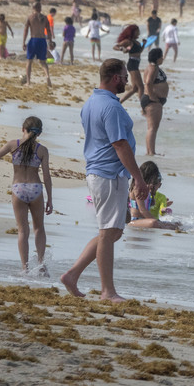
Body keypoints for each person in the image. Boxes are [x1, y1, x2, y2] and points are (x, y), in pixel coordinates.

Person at [60, 59, 148, 303]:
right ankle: (107, 291)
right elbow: (119, 144)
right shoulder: (111, 107)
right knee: (108, 233)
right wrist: (138, 178)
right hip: (107, 174)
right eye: (124, 76)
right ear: (115, 78)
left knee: (113, 232)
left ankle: (73, 274)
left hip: (101, 172)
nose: (127, 81)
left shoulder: (92, 102)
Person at [0, 116, 53, 275]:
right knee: (39, 228)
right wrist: (50, 198)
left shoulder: (12, 145)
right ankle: (42, 266)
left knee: (23, 230)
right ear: (39, 133)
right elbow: (47, 176)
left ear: (23, 129)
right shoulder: (42, 150)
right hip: (35, 188)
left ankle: (25, 268)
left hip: (18, 189)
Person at [128, 161, 180, 230]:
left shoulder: (147, 190)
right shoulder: (137, 188)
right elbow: (142, 210)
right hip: (135, 221)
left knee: (178, 223)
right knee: (154, 222)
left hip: (144, 220)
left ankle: (166, 226)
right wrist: (159, 222)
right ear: (149, 176)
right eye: (154, 178)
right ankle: (165, 227)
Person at [141, 48, 168, 156]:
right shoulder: (153, 68)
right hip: (152, 100)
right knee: (152, 128)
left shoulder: (153, 67)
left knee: (151, 127)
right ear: (157, 58)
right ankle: (151, 152)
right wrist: (153, 96)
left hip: (152, 100)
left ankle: (150, 151)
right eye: (161, 56)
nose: (163, 58)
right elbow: (148, 83)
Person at [21, 2, 53, 87]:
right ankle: (47, 76)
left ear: (33, 8)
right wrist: (50, 41)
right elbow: (49, 31)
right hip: (42, 41)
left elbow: (26, 31)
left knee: (29, 62)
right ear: (40, 8)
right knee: (43, 62)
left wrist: (23, 42)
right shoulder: (45, 18)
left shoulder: (30, 17)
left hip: (33, 40)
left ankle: (28, 82)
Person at [115, 25, 144, 105]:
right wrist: (122, 49)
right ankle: (143, 106)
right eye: (137, 31)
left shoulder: (136, 42)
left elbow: (139, 52)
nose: (139, 32)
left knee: (135, 88)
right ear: (133, 32)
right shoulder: (128, 41)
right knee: (141, 87)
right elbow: (116, 46)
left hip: (135, 64)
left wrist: (144, 44)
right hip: (132, 64)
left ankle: (119, 102)